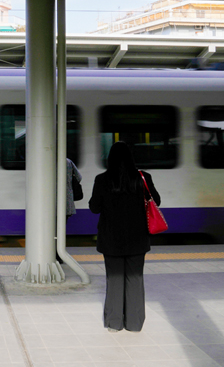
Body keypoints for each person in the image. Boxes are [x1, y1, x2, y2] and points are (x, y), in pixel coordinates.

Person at [89, 142, 160, 333]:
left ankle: (114, 323)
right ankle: (134, 323)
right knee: (135, 279)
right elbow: (157, 201)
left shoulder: (102, 179)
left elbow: (94, 207)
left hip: (111, 238)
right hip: (137, 239)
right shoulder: (143, 178)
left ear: (109, 158)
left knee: (114, 279)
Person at [56, 158, 82, 264]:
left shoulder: (45, 160)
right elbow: (79, 177)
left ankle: (50, 254)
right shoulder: (67, 162)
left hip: (49, 204)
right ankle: (59, 255)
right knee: (61, 230)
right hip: (65, 203)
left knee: (50, 231)